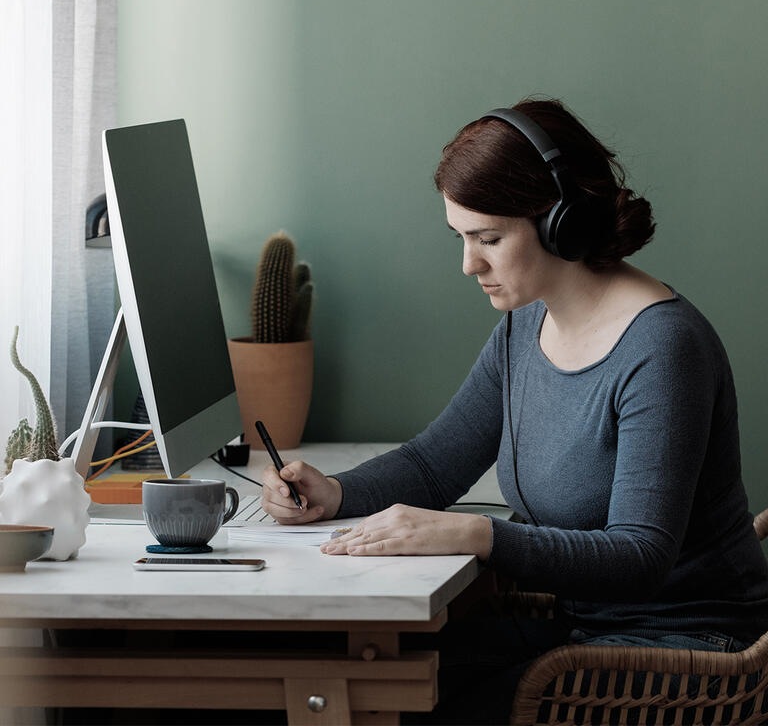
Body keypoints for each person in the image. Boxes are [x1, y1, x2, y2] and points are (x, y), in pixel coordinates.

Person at [261, 97, 768, 723]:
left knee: (410, 705)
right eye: (463, 237)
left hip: (684, 652)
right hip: (580, 629)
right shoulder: (524, 326)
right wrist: (333, 493)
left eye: (489, 239)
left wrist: (479, 534)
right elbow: (433, 464)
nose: (469, 264)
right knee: (367, 679)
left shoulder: (663, 348)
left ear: (563, 223)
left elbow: (640, 555)